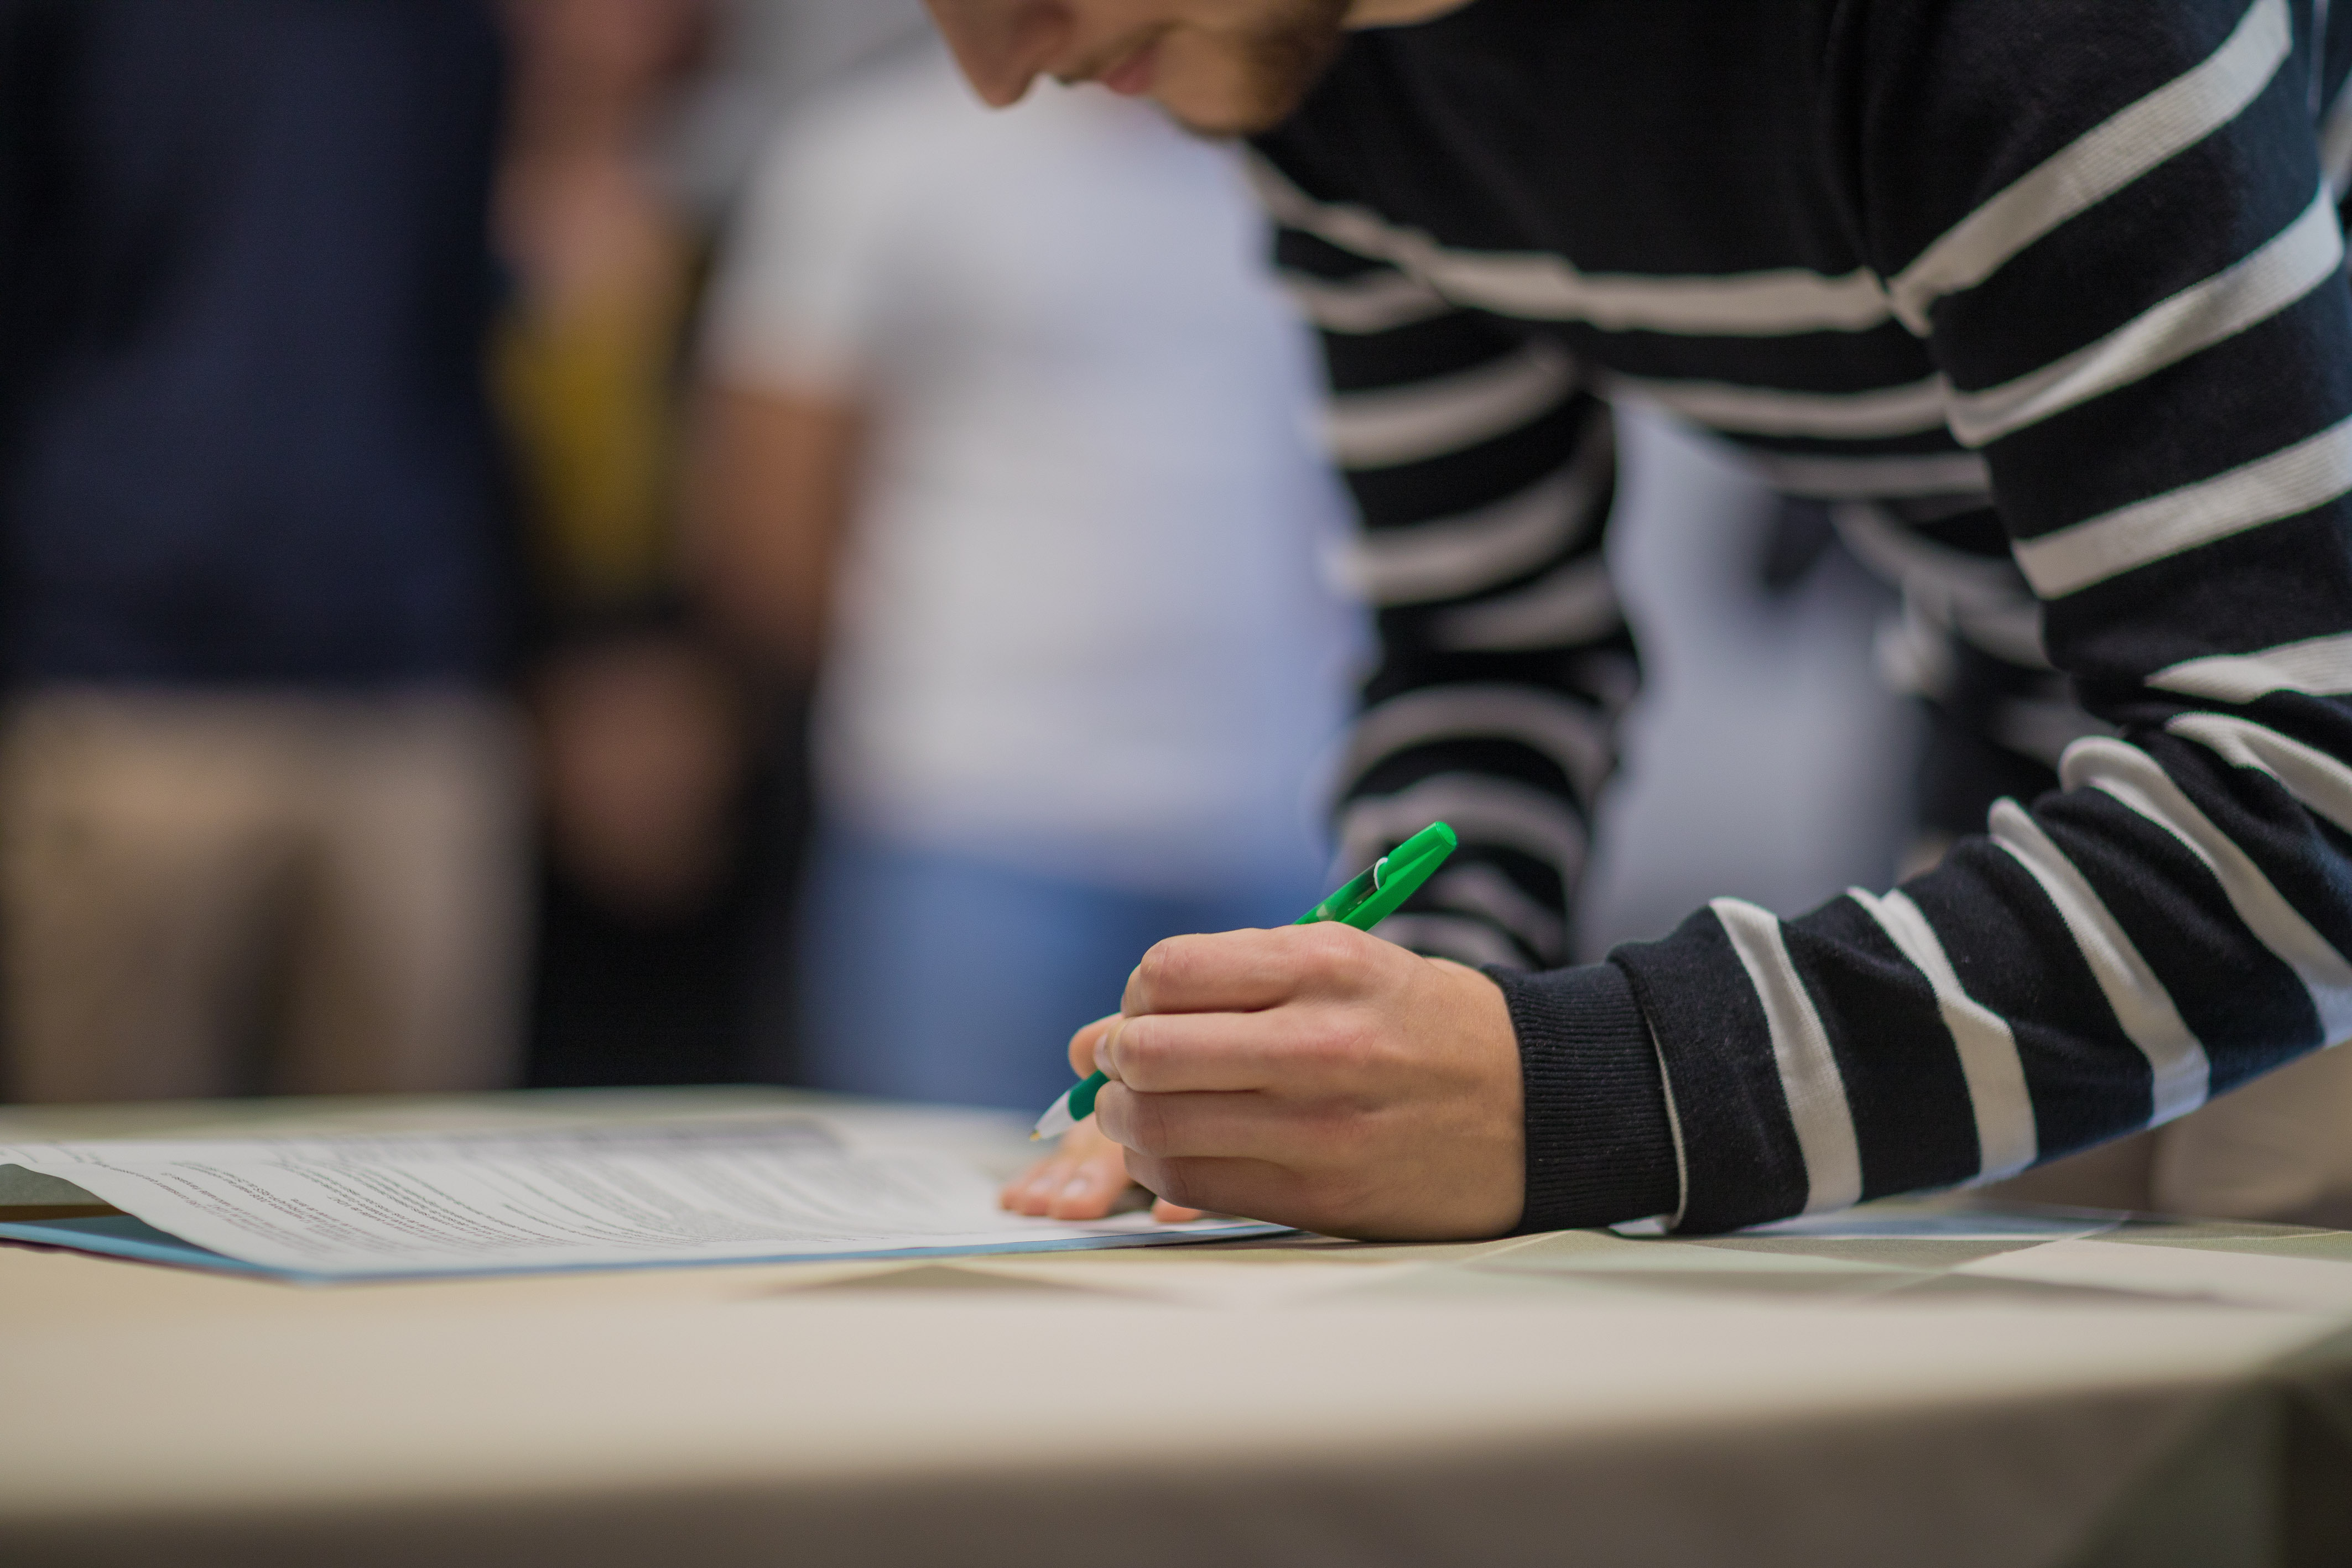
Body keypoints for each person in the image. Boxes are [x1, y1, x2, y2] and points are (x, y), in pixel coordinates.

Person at [925, 0, 2352, 1236]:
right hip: (2044, 757)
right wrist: (1343, 1054)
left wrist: (1564, 1093)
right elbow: (1484, 648)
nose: (993, 68)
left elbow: (2302, 798)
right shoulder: (1310, 61)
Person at [689, 39, 1360, 1111]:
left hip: (1280, 813)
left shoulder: (1337, 156)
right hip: (969, 818)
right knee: (935, 1231)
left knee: (1273, 1243)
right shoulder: (878, 152)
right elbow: (771, 509)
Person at [0, 0, 531, 1102]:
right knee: (108, 1218)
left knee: (423, 1221)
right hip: (121, 684)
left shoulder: (449, 32)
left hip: (412, 689)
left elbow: (456, 327)